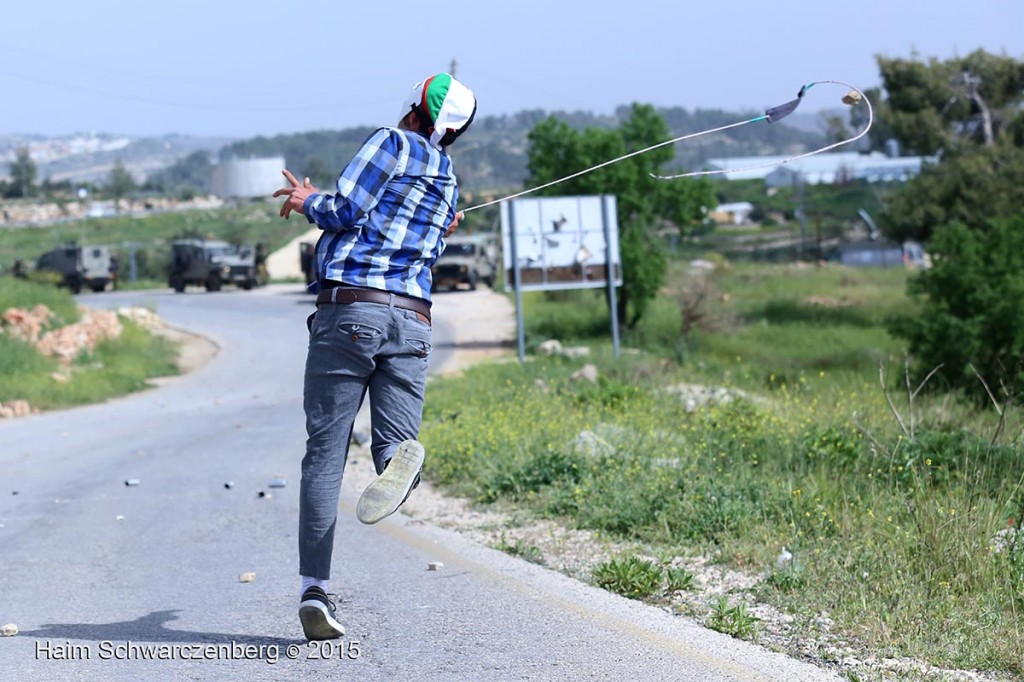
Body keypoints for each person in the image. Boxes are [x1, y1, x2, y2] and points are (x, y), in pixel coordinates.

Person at [273, 72, 476, 642]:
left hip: (352, 312)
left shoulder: (391, 142)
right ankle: (397, 465)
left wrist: (307, 198)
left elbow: (345, 212)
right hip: (412, 320)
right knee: (394, 449)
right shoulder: (449, 181)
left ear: (415, 110)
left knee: (325, 453)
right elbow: (426, 249)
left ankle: (315, 589)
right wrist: (443, 224)